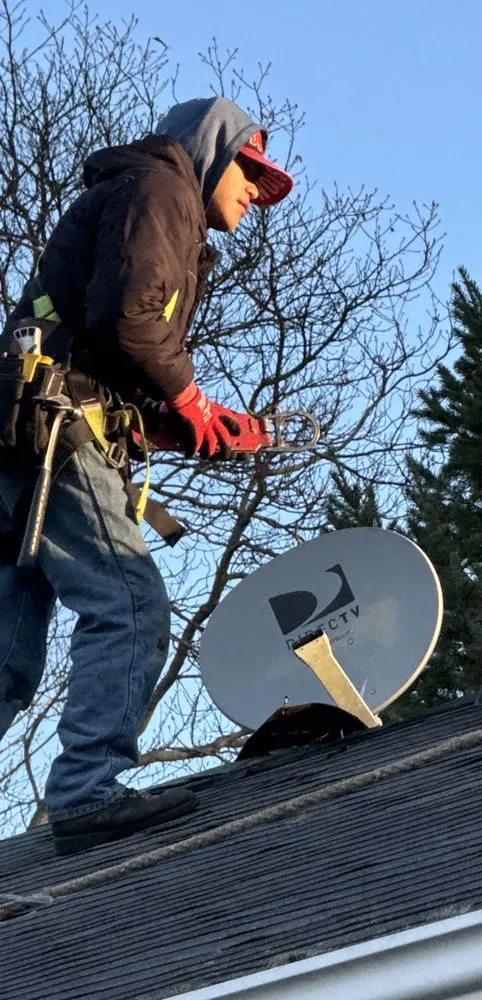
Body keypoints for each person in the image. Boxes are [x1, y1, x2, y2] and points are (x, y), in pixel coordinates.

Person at [0, 96, 294, 856]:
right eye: (250, 172)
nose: (254, 195)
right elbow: (129, 317)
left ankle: (84, 790)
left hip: (24, 431)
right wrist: (192, 399)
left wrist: (178, 422)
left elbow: (102, 338)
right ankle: (87, 792)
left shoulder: (139, 197)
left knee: (6, 655)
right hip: (55, 431)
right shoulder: (163, 187)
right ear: (210, 151)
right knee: (129, 602)